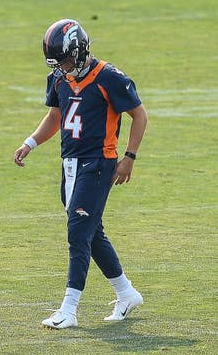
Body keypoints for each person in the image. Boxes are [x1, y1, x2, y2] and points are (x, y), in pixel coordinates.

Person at [13, 18, 148, 329]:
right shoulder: (60, 78)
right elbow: (56, 116)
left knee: (77, 233)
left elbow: (139, 115)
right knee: (90, 231)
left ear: (82, 50)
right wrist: (30, 142)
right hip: (70, 164)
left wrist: (129, 156)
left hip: (99, 163)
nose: (64, 67)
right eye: (58, 63)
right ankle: (126, 293)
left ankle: (69, 309)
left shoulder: (109, 77)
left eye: (67, 60)